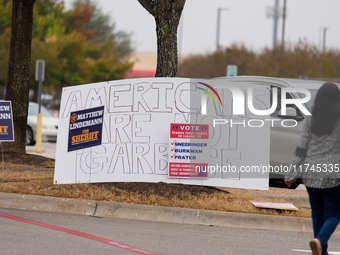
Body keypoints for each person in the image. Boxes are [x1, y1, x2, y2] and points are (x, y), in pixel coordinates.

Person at [285, 82, 340, 255]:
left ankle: (320, 251)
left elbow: (301, 148)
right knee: (334, 214)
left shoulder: (310, 119)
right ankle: (320, 240)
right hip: (332, 174)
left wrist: (291, 173)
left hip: (310, 173)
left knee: (317, 214)